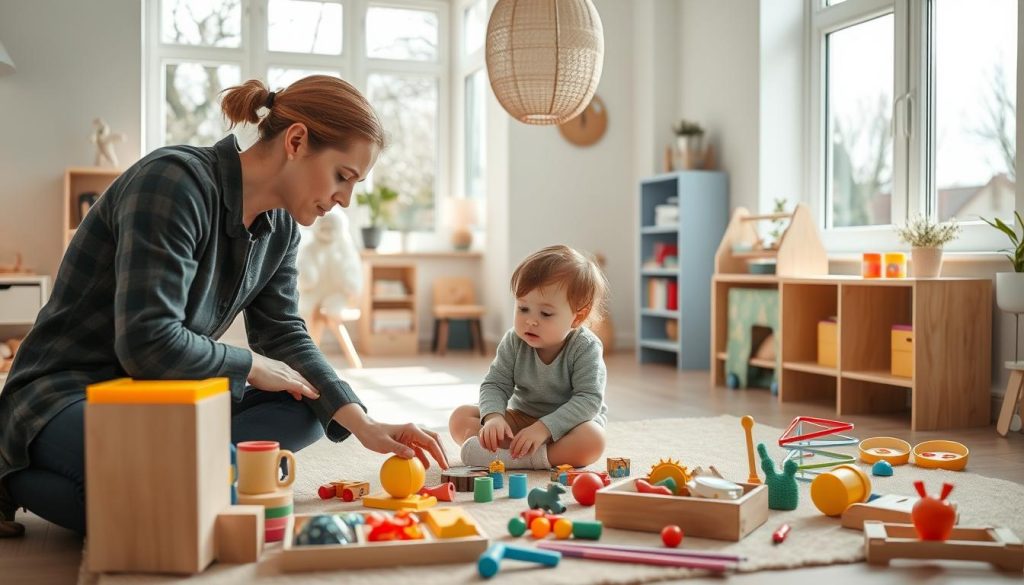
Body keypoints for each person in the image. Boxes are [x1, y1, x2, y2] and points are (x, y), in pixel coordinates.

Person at [0, 76, 448, 538]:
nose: (344, 200)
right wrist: (250, 364)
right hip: (71, 391)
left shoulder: (282, 230)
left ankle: (183, 472)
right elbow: (146, 342)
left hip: (165, 397)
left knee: (304, 407)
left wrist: (363, 423)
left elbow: (285, 335)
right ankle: (13, 467)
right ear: (296, 141)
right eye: (343, 176)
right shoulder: (173, 181)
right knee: (149, 509)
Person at [448, 245, 609, 470]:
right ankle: (511, 450)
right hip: (522, 420)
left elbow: (589, 400)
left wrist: (544, 428)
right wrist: (493, 418)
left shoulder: (585, 347)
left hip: (569, 427)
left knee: (593, 440)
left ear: (577, 317)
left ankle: (524, 458)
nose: (530, 321)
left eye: (545, 313)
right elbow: (495, 384)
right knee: (460, 417)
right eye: (523, 308)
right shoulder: (514, 341)